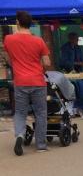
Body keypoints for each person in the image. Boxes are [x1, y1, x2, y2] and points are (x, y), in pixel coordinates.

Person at [2, 10, 51, 155]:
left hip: (20, 81)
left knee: (20, 112)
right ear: (31, 23)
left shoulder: (9, 39)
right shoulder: (39, 40)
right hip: (37, 80)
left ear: (17, 22)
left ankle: (19, 136)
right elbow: (47, 62)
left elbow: (9, 58)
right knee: (41, 113)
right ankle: (41, 145)